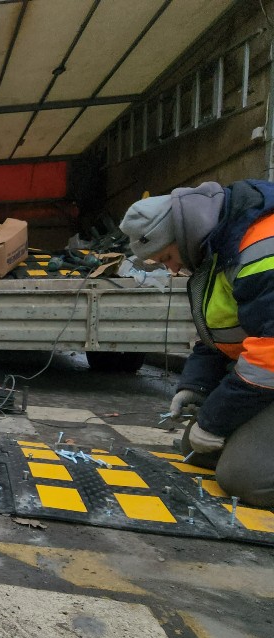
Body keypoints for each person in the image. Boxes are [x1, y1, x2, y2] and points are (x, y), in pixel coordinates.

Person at [119, 180, 274, 507]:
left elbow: (268, 358)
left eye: (168, 256)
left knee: (243, 479)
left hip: (269, 371)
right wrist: (195, 386)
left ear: (181, 236)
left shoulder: (259, 246)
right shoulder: (220, 247)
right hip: (266, 377)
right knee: (195, 446)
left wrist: (214, 420)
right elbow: (221, 332)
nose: (172, 268)